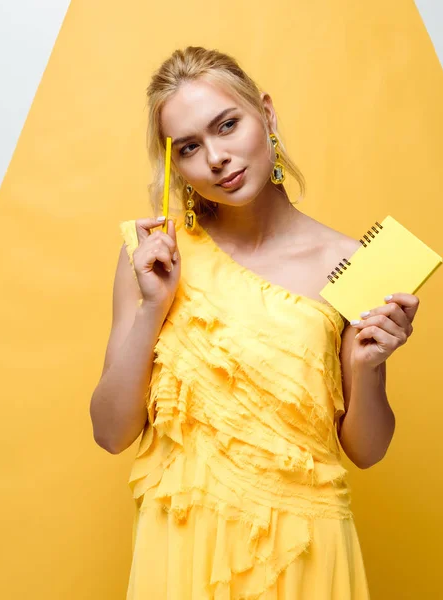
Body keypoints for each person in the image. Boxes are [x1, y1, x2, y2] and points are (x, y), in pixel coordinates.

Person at [90, 46, 419, 600]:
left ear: (264, 115)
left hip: (304, 552)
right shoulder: (153, 257)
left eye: (227, 125)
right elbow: (109, 432)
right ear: (175, 163)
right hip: (181, 549)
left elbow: (366, 449)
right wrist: (154, 306)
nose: (216, 157)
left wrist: (371, 367)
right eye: (190, 147)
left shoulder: (349, 262)